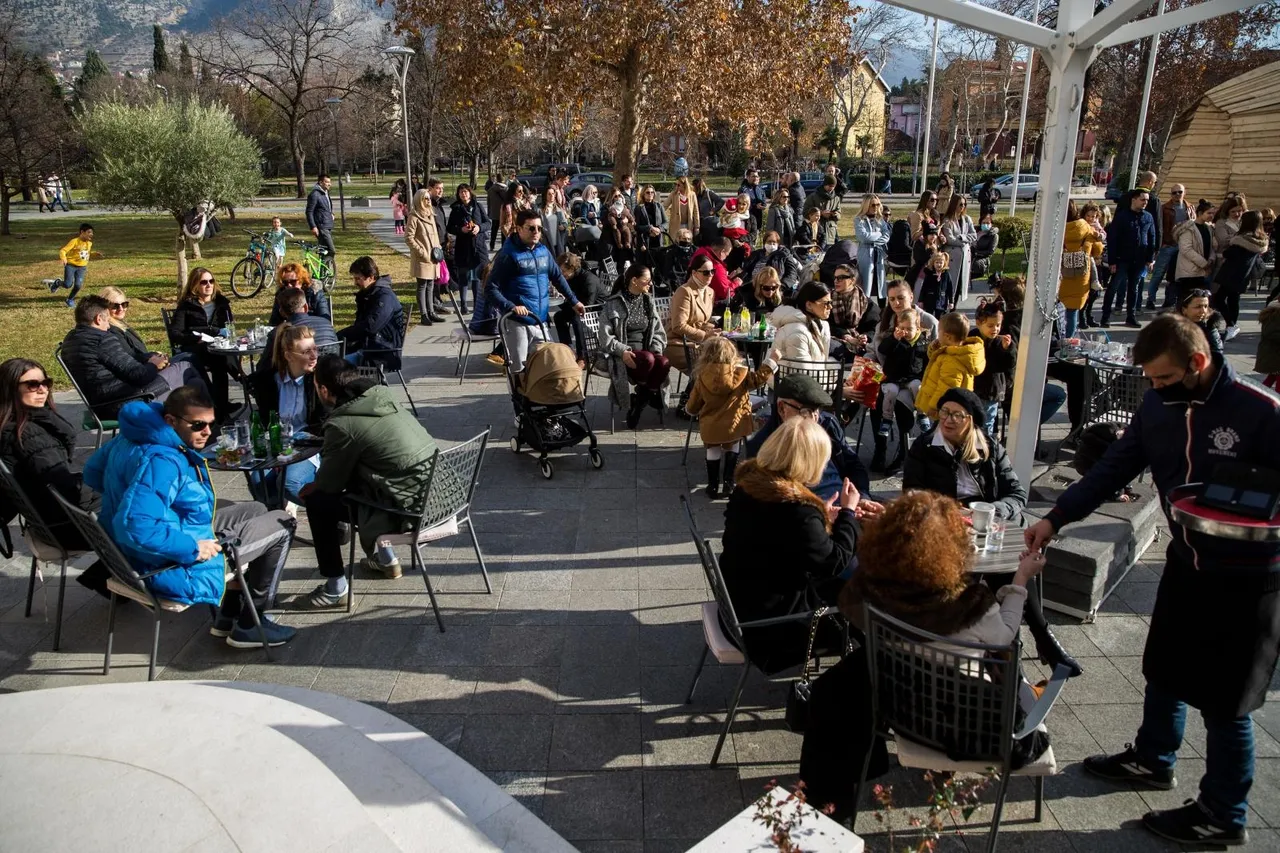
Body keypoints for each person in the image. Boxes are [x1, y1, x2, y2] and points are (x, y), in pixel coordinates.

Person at [1024, 314, 1280, 846]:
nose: (1156, 389)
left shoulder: (1261, 413)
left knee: (1226, 700)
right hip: (1186, 564)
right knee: (1163, 667)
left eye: (1163, 378)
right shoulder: (1157, 407)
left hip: (1252, 581)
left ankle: (1223, 813)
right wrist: (1054, 519)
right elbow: (1111, 469)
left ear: (1199, 363)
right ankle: (1153, 758)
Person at [800, 490, 1050, 821]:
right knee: (1011, 671)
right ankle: (1033, 693)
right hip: (961, 711)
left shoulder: (876, 589)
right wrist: (1020, 579)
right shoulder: (970, 603)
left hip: (903, 703)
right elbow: (1005, 636)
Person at [84, 388, 298, 648]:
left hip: (135, 552)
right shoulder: (164, 460)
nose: (208, 432)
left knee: (255, 509)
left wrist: (145, 500)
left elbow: (92, 473)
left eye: (211, 424)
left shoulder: (130, 436)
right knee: (282, 523)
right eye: (198, 425)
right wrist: (192, 548)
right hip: (166, 566)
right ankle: (251, 624)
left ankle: (228, 615)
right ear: (170, 421)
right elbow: (133, 524)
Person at [903, 387, 1081, 671]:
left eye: (956, 415)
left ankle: (1038, 637)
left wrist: (992, 511)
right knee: (995, 576)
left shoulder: (989, 447)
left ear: (970, 420)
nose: (947, 420)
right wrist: (948, 513)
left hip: (990, 526)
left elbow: (1017, 495)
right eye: (944, 413)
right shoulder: (924, 447)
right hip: (945, 529)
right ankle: (1008, 649)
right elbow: (911, 496)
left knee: (1015, 565)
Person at [721, 416, 865, 673]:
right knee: (863, 608)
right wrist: (848, 514)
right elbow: (833, 562)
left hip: (739, 606)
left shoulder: (749, 487)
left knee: (850, 591)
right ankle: (867, 675)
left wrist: (821, 520)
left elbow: (783, 539)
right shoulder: (797, 510)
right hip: (775, 629)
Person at [298, 356, 438, 607]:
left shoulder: (343, 424)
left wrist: (316, 485)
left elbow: (329, 485)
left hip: (406, 511)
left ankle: (335, 588)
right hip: (440, 496)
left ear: (323, 389)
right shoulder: (384, 397)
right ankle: (386, 560)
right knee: (362, 478)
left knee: (317, 501)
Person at [0, 358, 111, 595]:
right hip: (66, 527)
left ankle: (106, 576)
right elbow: (66, 490)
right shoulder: (28, 435)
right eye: (32, 384)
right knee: (144, 512)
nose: (42, 389)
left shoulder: (12, 426)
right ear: (10, 389)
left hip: (46, 520)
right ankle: (107, 577)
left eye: (45, 382)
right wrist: (107, 482)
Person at [488, 210, 584, 373]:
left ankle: (539, 398)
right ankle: (518, 398)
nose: (536, 232)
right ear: (519, 229)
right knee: (518, 371)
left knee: (550, 366)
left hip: (540, 321)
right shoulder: (508, 255)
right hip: (517, 322)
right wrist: (511, 306)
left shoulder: (543, 252)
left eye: (539, 228)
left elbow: (558, 278)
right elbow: (490, 288)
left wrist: (574, 301)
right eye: (531, 228)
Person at [687, 336, 778, 498]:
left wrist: (689, 410)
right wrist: (770, 363)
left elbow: (693, 404)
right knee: (733, 446)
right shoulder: (741, 374)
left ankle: (713, 485)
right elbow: (758, 378)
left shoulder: (702, 377)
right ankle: (729, 483)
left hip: (711, 425)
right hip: (734, 424)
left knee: (713, 449)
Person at [248, 324, 325, 505]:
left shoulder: (319, 380)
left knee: (289, 484)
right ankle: (279, 524)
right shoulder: (269, 382)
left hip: (309, 446)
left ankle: (331, 514)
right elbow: (266, 420)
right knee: (259, 483)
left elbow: (325, 424)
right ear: (288, 356)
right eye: (306, 352)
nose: (314, 356)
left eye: (315, 349)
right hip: (277, 445)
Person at [600, 265, 670, 428]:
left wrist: (657, 348)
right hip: (624, 355)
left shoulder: (648, 302)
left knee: (663, 362)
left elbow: (659, 332)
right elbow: (604, 336)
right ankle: (649, 394)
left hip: (647, 354)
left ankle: (639, 402)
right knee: (648, 359)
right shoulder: (613, 303)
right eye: (647, 281)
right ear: (634, 281)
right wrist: (622, 351)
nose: (650, 284)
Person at [167, 270, 239, 420]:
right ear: (195, 285)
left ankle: (221, 405)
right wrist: (195, 338)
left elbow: (229, 325)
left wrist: (223, 333)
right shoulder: (187, 305)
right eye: (204, 282)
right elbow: (175, 333)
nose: (208, 285)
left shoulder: (221, 302)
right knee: (219, 360)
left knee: (221, 358)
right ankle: (240, 381)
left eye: (211, 281)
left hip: (218, 345)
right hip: (196, 348)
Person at [873, 309, 930, 473]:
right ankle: (887, 420)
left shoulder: (923, 343)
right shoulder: (895, 339)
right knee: (889, 391)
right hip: (895, 378)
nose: (904, 332)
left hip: (912, 378)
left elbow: (927, 361)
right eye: (901, 328)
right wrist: (893, 339)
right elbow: (882, 350)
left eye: (908, 329)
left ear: (917, 328)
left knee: (916, 386)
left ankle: (922, 414)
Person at [1103, 188, 1157, 328]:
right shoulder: (1122, 216)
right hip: (1122, 259)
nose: (1145, 202)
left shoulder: (1148, 217)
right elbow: (1113, 239)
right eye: (1142, 199)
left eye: (1147, 200)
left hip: (1139, 259)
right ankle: (1105, 317)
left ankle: (1130, 317)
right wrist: (1112, 261)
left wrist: (1150, 258)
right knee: (1113, 287)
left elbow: (1152, 237)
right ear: (1134, 200)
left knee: (1134, 289)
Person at [915, 312, 985, 419]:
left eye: (939, 332)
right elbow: (935, 360)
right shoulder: (953, 352)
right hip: (950, 410)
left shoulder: (951, 360)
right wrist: (935, 349)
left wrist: (934, 407)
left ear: (947, 336)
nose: (937, 335)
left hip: (945, 411)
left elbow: (946, 387)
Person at [339, 257, 405, 369]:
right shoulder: (369, 294)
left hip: (381, 352)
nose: (355, 282)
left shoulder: (384, 297)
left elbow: (371, 326)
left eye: (358, 278)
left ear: (371, 277)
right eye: (354, 278)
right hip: (370, 346)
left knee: (333, 365)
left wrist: (342, 334)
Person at [1212, 210, 1268, 342]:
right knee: (1233, 300)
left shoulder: (1241, 239)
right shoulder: (1260, 239)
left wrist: (1226, 250)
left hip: (1231, 273)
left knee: (1218, 299)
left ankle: (1231, 325)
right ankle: (1231, 327)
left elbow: (1229, 254)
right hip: (1244, 274)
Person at [665, 257, 719, 374]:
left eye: (712, 271)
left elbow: (701, 321)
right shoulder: (684, 291)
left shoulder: (710, 291)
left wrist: (715, 331)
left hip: (696, 342)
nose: (710, 275)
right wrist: (704, 335)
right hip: (677, 343)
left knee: (726, 351)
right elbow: (679, 326)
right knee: (714, 359)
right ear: (694, 273)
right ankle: (698, 390)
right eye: (706, 272)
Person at [1059, 200, 1104, 337]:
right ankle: (1068, 341)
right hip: (1080, 276)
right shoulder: (1086, 228)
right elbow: (1097, 251)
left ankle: (1055, 337)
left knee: (1056, 310)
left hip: (1060, 275)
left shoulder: (1057, 228)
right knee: (1073, 312)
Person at [447, 183, 491, 314]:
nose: (463, 194)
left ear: (470, 193)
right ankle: (464, 305)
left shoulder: (477, 206)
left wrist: (479, 228)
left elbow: (488, 222)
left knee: (477, 276)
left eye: (465, 191)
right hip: (463, 247)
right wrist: (461, 229)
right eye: (461, 192)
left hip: (478, 247)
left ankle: (477, 304)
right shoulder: (456, 209)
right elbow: (450, 227)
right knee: (463, 276)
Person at [554, 252, 605, 363]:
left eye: (563, 271)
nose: (562, 275)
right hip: (579, 308)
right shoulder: (569, 279)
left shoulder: (588, 280)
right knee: (558, 317)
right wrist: (559, 298)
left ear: (572, 268)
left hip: (598, 310)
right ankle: (568, 350)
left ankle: (583, 356)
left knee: (576, 319)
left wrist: (567, 302)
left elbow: (587, 306)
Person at [973, 299, 1015, 434]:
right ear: (979, 324)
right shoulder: (972, 338)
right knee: (973, 422)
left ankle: (987, 448)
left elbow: (1009, 365)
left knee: (987, 423)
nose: (995, 329)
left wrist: (1007, 349)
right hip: (974, 387)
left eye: (998, 325)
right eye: (990, 326)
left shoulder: (999, 342)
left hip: (992, 390)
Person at [405, 188, 445, 322]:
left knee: (431, 285)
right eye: (425, 198)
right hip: (422, 257)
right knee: (422, 285)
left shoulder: (430, 213)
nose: (428, 201)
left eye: (429, 198)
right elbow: (408, 237)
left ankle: (431, 311)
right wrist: (421, 252)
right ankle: (424, 314)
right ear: (419, 200)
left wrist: (438, 250)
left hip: (433, 256)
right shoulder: (414, 216)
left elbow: (435, 235)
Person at [872, 278, 939, 356]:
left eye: (900, 298)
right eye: (892, 299)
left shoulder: (929, 322)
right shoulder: (882, 325)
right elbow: (873, 351)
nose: (896, 303)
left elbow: (939, 353)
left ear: (911, 297)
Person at [1152, 183, 1193, 308]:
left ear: (1184, 193)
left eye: (1180, 192)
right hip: (1168, 245)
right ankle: (1151, 298)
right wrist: (1162, 243)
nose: (1177, 195)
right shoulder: (1165, 208)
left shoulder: (1190, 207)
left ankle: (1171, 300)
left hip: (1184, 246)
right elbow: (1160, 227)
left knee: (1177, 275)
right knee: (1158, 273)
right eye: (1174, 192)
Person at [771, 280, 833, 362]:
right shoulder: (797, 332)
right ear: (809, 305)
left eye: (831, 302)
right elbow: (801, 372)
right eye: (826, 303)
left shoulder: (819, 325)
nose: (830, 307)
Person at [1172, 199, 1217, 308]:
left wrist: (1211, 259)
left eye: (1213, 213)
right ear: (1200, 213)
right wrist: (1203, 263)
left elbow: (1211, 247)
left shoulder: (1209, 228)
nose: (1212, 215)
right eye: (1209, 213)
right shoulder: (1189, 228)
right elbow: (1186, 249)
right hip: (1189, 272)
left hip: (1203, 271)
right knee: (1186, 302)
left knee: (1201, 302)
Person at [49, 223, 101, 308]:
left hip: (82, 267)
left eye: (92, 232)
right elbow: (63, 250)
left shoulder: (89, 243)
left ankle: (70, 299)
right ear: (82, 232)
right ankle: (58, 282)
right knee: (67, 284)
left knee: (78, 285)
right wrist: (64, 258)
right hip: (71, 266)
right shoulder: (75, 241)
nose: (91, 234)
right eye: (89, 232)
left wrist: (94, 254)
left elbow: (85, 253)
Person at [941, 194, 978, 302]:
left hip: (965, 256)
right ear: (954, 205)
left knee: (961, 283)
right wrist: (964, 242)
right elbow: (950, 239)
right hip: (952, 256)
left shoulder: (967, 219)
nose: (962, 206)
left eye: (964, 204)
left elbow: (974, 235)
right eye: (960, 204)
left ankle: (954, 304)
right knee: (951, 283)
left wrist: (962, 237)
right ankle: (949, 304)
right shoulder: (947, 220)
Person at [741, 230, 802, 295]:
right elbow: (746, 269)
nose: (771, 245)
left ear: (778, 244)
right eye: (769, 242)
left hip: (774, 290)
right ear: (764, 243)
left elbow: (792, 274)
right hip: (754, 288)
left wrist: (781, 287)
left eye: (774, 242)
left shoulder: (784, 256)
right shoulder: (756, 254)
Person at [854, 195, 891, 300]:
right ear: (866, 206)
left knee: (881, 285)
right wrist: (879, 234)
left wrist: (874, 238)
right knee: (866, 285)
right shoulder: (859, 220)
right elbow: (863, 237)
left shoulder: (880, 219)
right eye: (873, 205)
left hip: (878, 255)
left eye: (878, 204)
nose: (876, 207)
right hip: (865, 255)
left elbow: (887, 235)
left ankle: (882, 309)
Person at [1177, 288, 1226, 358]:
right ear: (1184, 310)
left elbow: (1217, 353)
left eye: (1205, 306)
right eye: (1198, 307)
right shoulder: (1172, 326)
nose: (1203, 311)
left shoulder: (1209, 325)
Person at [689, 236, 738, 304]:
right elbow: (724, 292)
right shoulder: (715, 265)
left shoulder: (700, 251)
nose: (725, 258)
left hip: (692, 293)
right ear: (722, 252)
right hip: (708, 302)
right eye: (726, 255)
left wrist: (727, 278)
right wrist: (736, 283)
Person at [907, 249, 954, 317]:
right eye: (937, 262)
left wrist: (951, 301)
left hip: (941, 300)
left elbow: (950, 289)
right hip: (930, 300)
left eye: (941, 263)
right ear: (933, 263)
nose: (939, 264)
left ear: (944, 263)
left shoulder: (946, 274)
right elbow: (924, 287)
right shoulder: (929, 274)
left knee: (940, 318)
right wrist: (921, 300)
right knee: (929, 316)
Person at [803, 175, 841, 249]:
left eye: (833, 186)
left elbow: (839, 214)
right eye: (829, 186)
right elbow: (805, 212)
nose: (831, 188)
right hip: (816, 232)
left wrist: (834, 214)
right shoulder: (813, 197)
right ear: (825, 184)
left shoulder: (836, 198)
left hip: (831, 233)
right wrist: (820, 213)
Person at [305, 174, 336, 260]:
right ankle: (326, 269)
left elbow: (325, 207)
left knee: (324, 250)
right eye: (327, 182)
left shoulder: (325, 193)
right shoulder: (315, 194)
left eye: (330, 182)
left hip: (327, 224)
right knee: (331, 250)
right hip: (321, 227)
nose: (329, 184)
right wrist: (313, 227)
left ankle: (324, 271)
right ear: (320, 182)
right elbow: (309, 211)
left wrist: (331, 214)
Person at [603, 188, 636, 263]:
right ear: (611, 197)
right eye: (615, 196)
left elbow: (630, 217)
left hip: (625, 236)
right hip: (611, 236)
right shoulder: (606, 208)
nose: (618, 198)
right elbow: (605, 222)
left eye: (619, 195)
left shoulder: (624, 206)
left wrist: (628, 221)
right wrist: (617, 222)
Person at [633, 185, 667, 259]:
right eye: (648, 192)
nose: (650, 194)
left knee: (659, 264)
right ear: (643, 194)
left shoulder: (659, 206)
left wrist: (659, 229)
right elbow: (636, 226)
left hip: (658, 239)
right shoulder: (639, 208)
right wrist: (649, 228)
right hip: (645, 241)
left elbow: (665, 222)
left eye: (652, 192)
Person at [540, 185, 569, 259]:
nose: (551, 196)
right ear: (545, 195)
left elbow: (565, 223)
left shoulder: (558, 208)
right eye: (549, 194)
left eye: (553, 194)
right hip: (546, 241)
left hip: (558, 240)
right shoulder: (540, 210)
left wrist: (563, 226)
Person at [1255, 302, 1279, 388]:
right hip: (1274, 353)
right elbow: (1271, 333)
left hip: (1274, 353)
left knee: (1271, 378)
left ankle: (1259, 395)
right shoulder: (1274, 315)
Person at [739, 168, 768, 237]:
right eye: (753, 176)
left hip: (758, 221)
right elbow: (741, 205)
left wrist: (764, 205)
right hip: (747, 222)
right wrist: (755, 206)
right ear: (748, 177)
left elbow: (764, 201)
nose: (756, 178)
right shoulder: (743, 190)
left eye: (757, 176)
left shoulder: (759, 189)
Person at [486, 177, 507, 251]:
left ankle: (492, 245)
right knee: (503, 230)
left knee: (494, 230)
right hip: (504, 213)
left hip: (494, 213)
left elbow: (488, 203)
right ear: (503, 180)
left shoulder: (490, 190)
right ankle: (503, 246)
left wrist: (489, 212)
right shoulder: (505, 189)